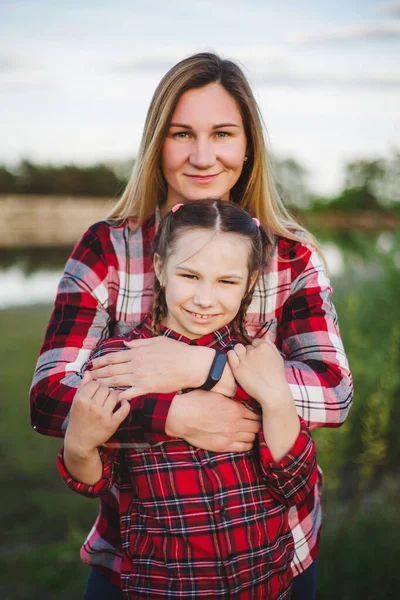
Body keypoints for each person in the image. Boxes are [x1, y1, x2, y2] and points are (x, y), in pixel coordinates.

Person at [29, 52, 353, 600]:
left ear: (248, 144)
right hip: (142, 561)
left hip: (276, 555)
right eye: (183, 133)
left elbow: (333, 393)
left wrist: (209, 368)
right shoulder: (108, 247)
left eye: (223, 133)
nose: (203, 157)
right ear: (158, 142)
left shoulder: (290, 256)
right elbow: (50, 399)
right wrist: (173, 414)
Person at [57, 200, 318, 599]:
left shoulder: (256, 360)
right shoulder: (120, 362)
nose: (204, 299)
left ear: (249, 283)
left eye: (226, 282)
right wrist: (78, 442)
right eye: (190, 275)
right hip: (168, 585)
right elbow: (95, 480)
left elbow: (296, 484)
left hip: (264, 582)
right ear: (160, 268)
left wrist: (277, 399)